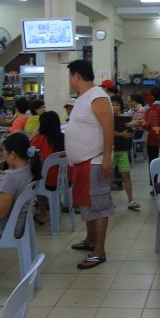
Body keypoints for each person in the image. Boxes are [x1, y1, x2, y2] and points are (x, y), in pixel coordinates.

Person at [64, 59, 113, 271]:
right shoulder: (82, 98)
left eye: (69, 76)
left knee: (98, 205)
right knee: (87, 203)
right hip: (83, 163)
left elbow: (108, 127)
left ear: (76, 76)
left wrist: (107, 159)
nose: (69, 80)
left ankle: (99, 251)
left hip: (95, 160)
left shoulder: (97, 96)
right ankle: (90, 240)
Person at [30, 110, 65, 224]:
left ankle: (43, 214)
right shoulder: (64, 138)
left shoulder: (41, 139)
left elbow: (29, 152)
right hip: (66, 180)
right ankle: (56, 204)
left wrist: (32, 137)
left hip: (47, 182)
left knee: (37, 178)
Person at [111, 97, 139, 211]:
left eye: (117, 105)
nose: (115, 107)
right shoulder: (106, 118)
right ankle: (106, 201)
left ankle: (131, 200)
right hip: (110, 151)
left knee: (126, 175)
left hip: (122, 151)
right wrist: (121, 135)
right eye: (113, 105)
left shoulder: (124, 119)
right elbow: (107, 131)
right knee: (107, 178)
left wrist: (135, 123)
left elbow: (136, 124)